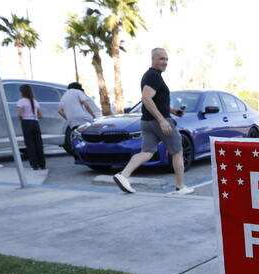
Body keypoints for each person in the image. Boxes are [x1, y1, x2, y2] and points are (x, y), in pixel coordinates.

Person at [113, 48, 194, 195]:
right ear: (153, 59)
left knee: (147, 152)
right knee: (177, 152)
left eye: (166, 59)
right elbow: (146, 98)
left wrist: (172, 110)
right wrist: (162, 119)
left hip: (147, 121)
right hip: (158, 122)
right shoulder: (154, 76)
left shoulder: (151, 76)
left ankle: (123, 175)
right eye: (162, 59)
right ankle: (180, 187)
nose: (165, 62)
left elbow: (155, 101)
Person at [58, 82, 97, 156]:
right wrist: (93, 116)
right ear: (78, 87)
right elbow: (86, 105)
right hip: (82, 118)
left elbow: (59, 111)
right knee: (89, 135)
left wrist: (68, 118)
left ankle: (79, 154)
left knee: (77, 137)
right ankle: (93, 153)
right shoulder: (78, 91)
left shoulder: (64, 96)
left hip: (72, 121)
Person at [17, 84, 46, 170]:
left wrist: (21, 117)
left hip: (26, 122)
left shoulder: (21, 101)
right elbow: (40, 115)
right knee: (38, 144)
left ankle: (34, 164)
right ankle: (42, 164)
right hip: (35, 123)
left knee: (30, 144)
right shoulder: (35, 102)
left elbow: (20, 115)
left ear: (22, 92)